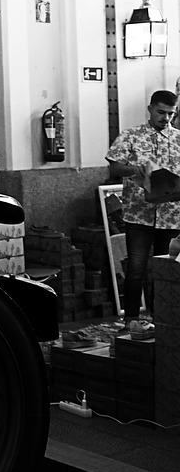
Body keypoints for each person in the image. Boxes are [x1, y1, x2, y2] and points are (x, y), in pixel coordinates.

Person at [105, 89, 180, 326]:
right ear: (150, 108)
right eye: (161, 112)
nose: (165, 118)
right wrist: (137, 171)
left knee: (163, 268)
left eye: (170, 113)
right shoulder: (132, 135)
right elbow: (114, 167)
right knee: (136, 267)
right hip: (139, 214)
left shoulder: (179, 139)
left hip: (171, 215)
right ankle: (132, 319)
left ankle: (162, 320)